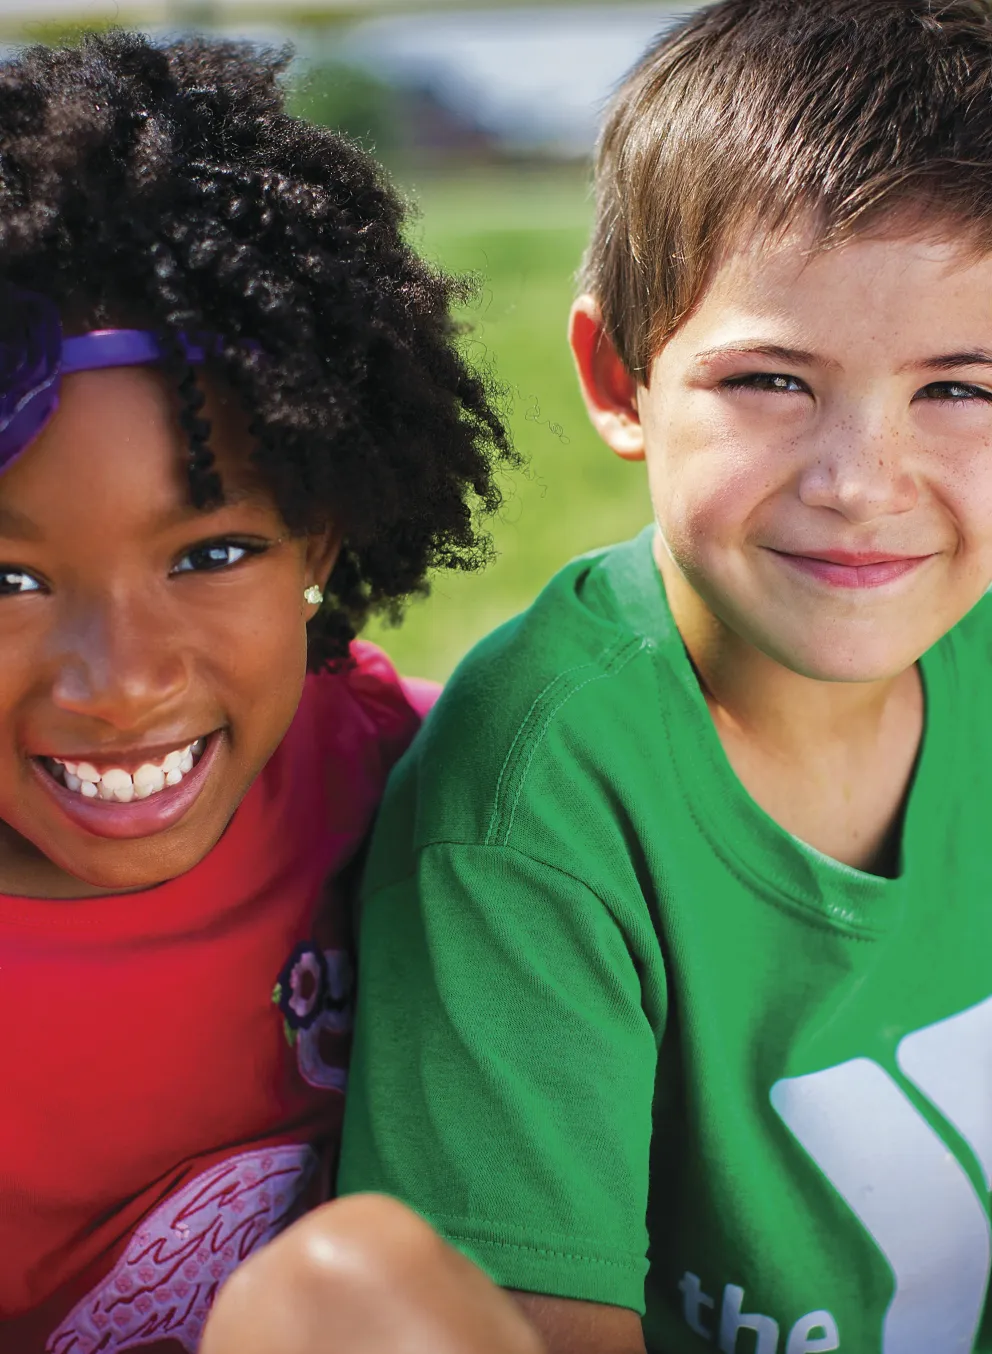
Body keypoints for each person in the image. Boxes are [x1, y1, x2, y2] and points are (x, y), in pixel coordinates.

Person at [203, 0, 992, 1351]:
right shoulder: (531, 802)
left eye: (960, 389)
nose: (862, 482)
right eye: (770, 381)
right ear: (620, 378)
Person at [0, 29, 514, 1354]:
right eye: (7, 581)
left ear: (324, 539)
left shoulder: (412, 778)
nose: (124, 683)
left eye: (212, 553)